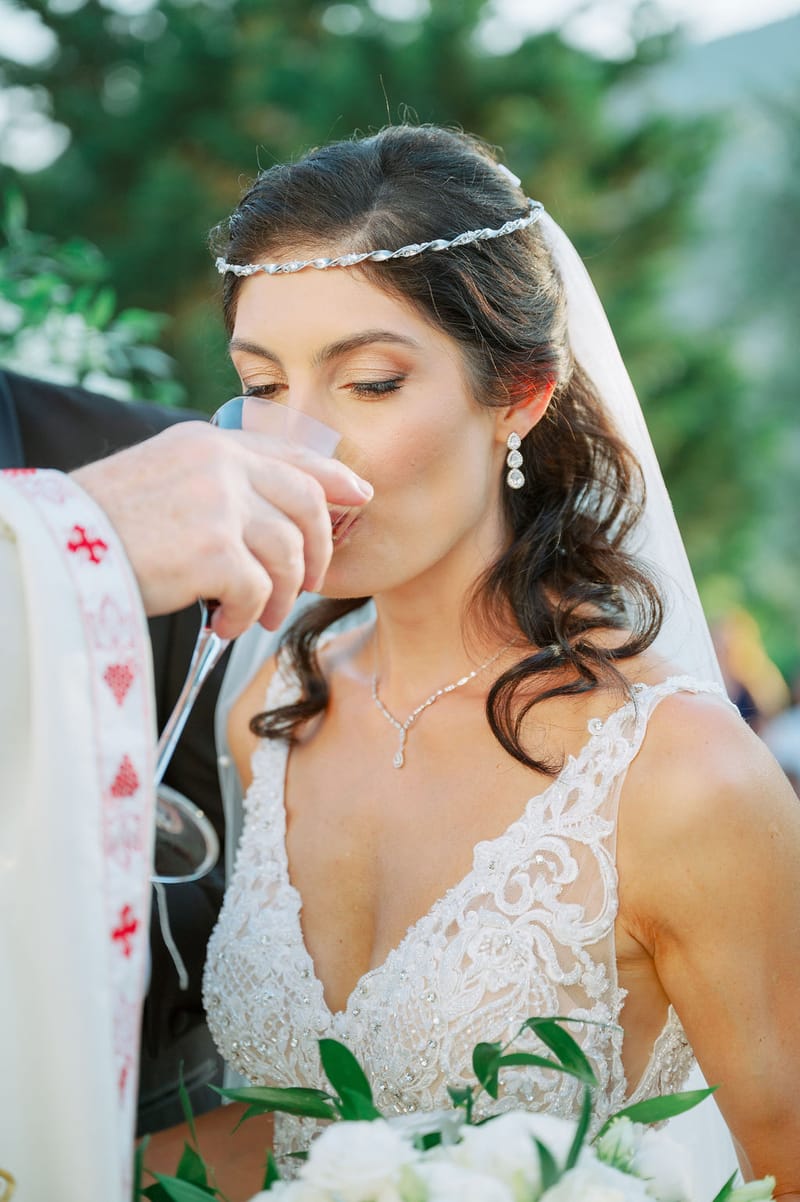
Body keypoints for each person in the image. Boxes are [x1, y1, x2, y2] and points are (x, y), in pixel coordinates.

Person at [142, 125, 799, 1197]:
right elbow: (295, 1128)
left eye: (369, 383)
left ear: (522, 395)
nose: (298, 449)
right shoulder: (272, 713)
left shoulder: (681, 779)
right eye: (261, 385)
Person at [0, 381, 372, 1202]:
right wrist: (67, 542)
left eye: (375, 384)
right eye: (262, 383)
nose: (310, 423)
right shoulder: (127, 496)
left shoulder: (170, 470)